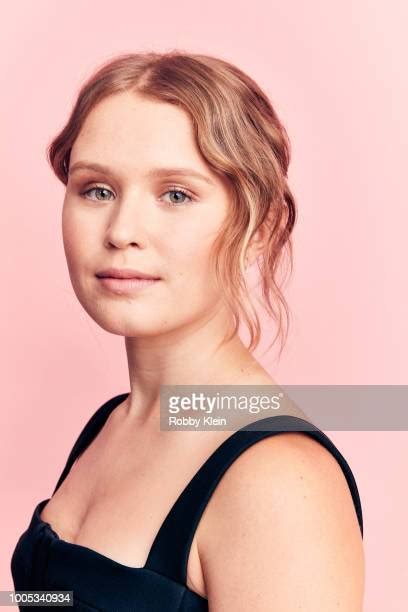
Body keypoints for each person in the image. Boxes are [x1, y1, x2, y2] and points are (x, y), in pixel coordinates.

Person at [11, 50, 364, 611]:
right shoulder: (113, 422)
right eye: (97, 189)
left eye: (175, 194)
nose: (123, 230)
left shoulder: (276, 483)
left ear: (259, 226)